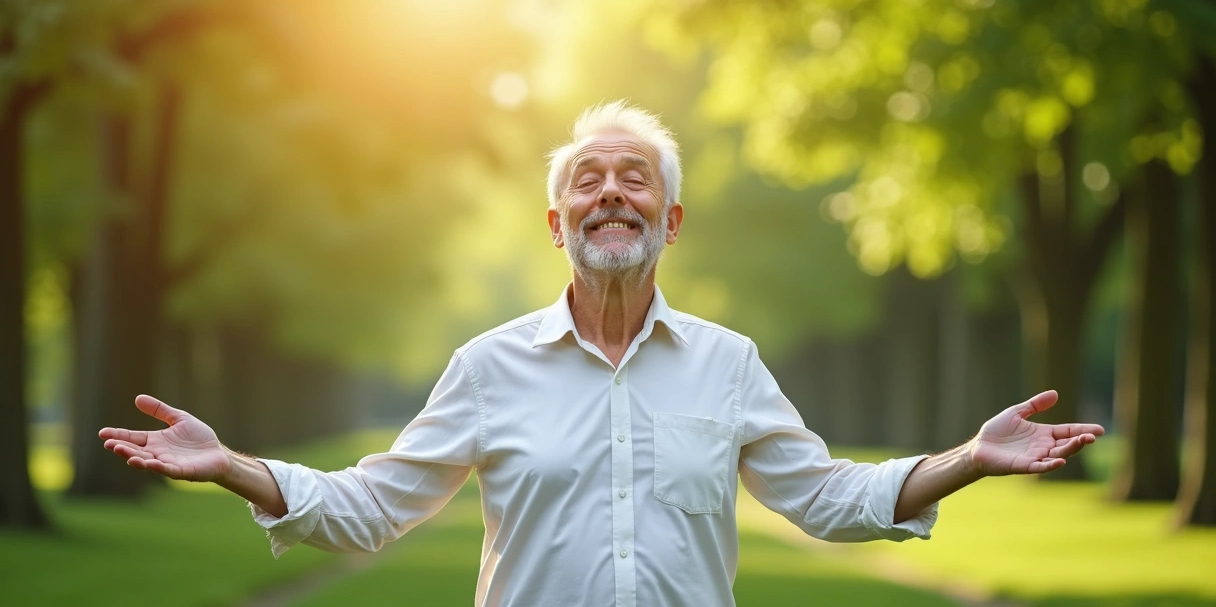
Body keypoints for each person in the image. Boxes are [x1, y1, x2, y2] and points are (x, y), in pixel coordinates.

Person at [99, 101, 1103, 607]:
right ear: (555, 221)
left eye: (634, 178)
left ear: (670, 219)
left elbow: (828, 500)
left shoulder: (729, 361)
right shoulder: (489, 367)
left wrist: (970, 457)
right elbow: (371, 509)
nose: (610, 191)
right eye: (587, 178)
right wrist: (230, 464)